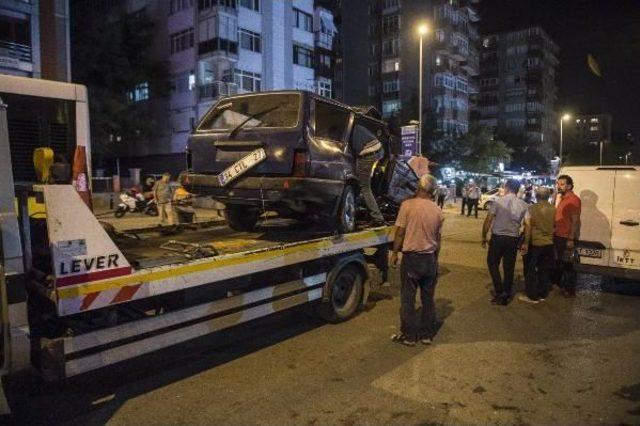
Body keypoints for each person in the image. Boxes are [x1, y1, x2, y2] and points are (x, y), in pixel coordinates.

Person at [390, 174, 444, 346]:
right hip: (429, 259)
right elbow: (438, 239)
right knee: (428, 299)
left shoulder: (407, 206)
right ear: (432, 191)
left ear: (418, 188)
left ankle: (409, 336)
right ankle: (427, 335)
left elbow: (399, 233)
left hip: (411, 259)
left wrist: (394, 253)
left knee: (408, 299)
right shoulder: (437, 210)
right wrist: (435, 260)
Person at [481, 179, 529, 305]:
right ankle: (506, 293)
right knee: (509, 267)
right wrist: (526, 243)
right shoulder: (524, 205)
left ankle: (499, 290)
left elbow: (488, 219)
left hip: (497, 237)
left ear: (506, 187)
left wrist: (483, 235)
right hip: (513, 239)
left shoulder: (498, 202)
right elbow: (528, 225)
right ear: (518, 189)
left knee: (492, 263)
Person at [519, 186, 555, 304]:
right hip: (549, 244)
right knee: (544, 270)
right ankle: (543, 294)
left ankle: (533, 296)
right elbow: (555, 226)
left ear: (537, 195)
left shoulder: (531, 209)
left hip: (535, 243)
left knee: (530, 271)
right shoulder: (554, 209)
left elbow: (528, 227)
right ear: (548, 196)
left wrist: (525, 244)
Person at [351, 123, 386, 226]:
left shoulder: (347, 130)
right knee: (366, 184)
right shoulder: (357, 126)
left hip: (368, 155)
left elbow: (353, 152)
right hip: (379, 151)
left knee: (364, 187)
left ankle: (377, 217)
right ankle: (367, 210)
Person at [553, 174, 581, 297]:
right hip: (558, 235)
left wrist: (570, 238)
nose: (559, 186)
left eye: (562, 184)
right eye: (558, 184)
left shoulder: (574, 200)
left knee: (568, 265)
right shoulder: (562, 198)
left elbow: (575, 221)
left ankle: (569, 290)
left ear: (569, 186)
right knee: (559, 262)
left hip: (565, 237)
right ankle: (561, 285)